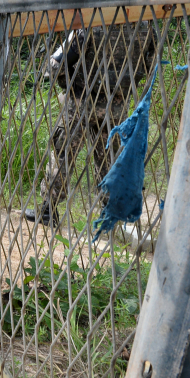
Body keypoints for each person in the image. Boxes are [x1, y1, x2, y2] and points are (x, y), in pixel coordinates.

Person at [24, 22, 157, 226]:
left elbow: (54, 66)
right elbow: (150, 67)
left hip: (80, 102)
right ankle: (109, 211)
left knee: (63, 153)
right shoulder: (146, 27)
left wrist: (63, 80)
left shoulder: (92, 23)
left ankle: (48, 209)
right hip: (116, 104)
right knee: (109, 157)